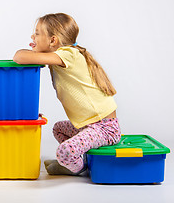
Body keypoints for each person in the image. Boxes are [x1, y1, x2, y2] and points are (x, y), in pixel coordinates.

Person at [13, 13, 121, 176]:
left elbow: (19, 57)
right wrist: (37, 48)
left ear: (53, 41)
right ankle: (75, 160)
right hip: (89, 126)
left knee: (65, 151)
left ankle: (80, 168)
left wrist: (32, 52)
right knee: (58, 129)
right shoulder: (62, 55)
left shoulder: (68, 54)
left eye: (37, 33)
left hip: (105, 127)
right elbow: (31, 58)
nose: (32, 36)